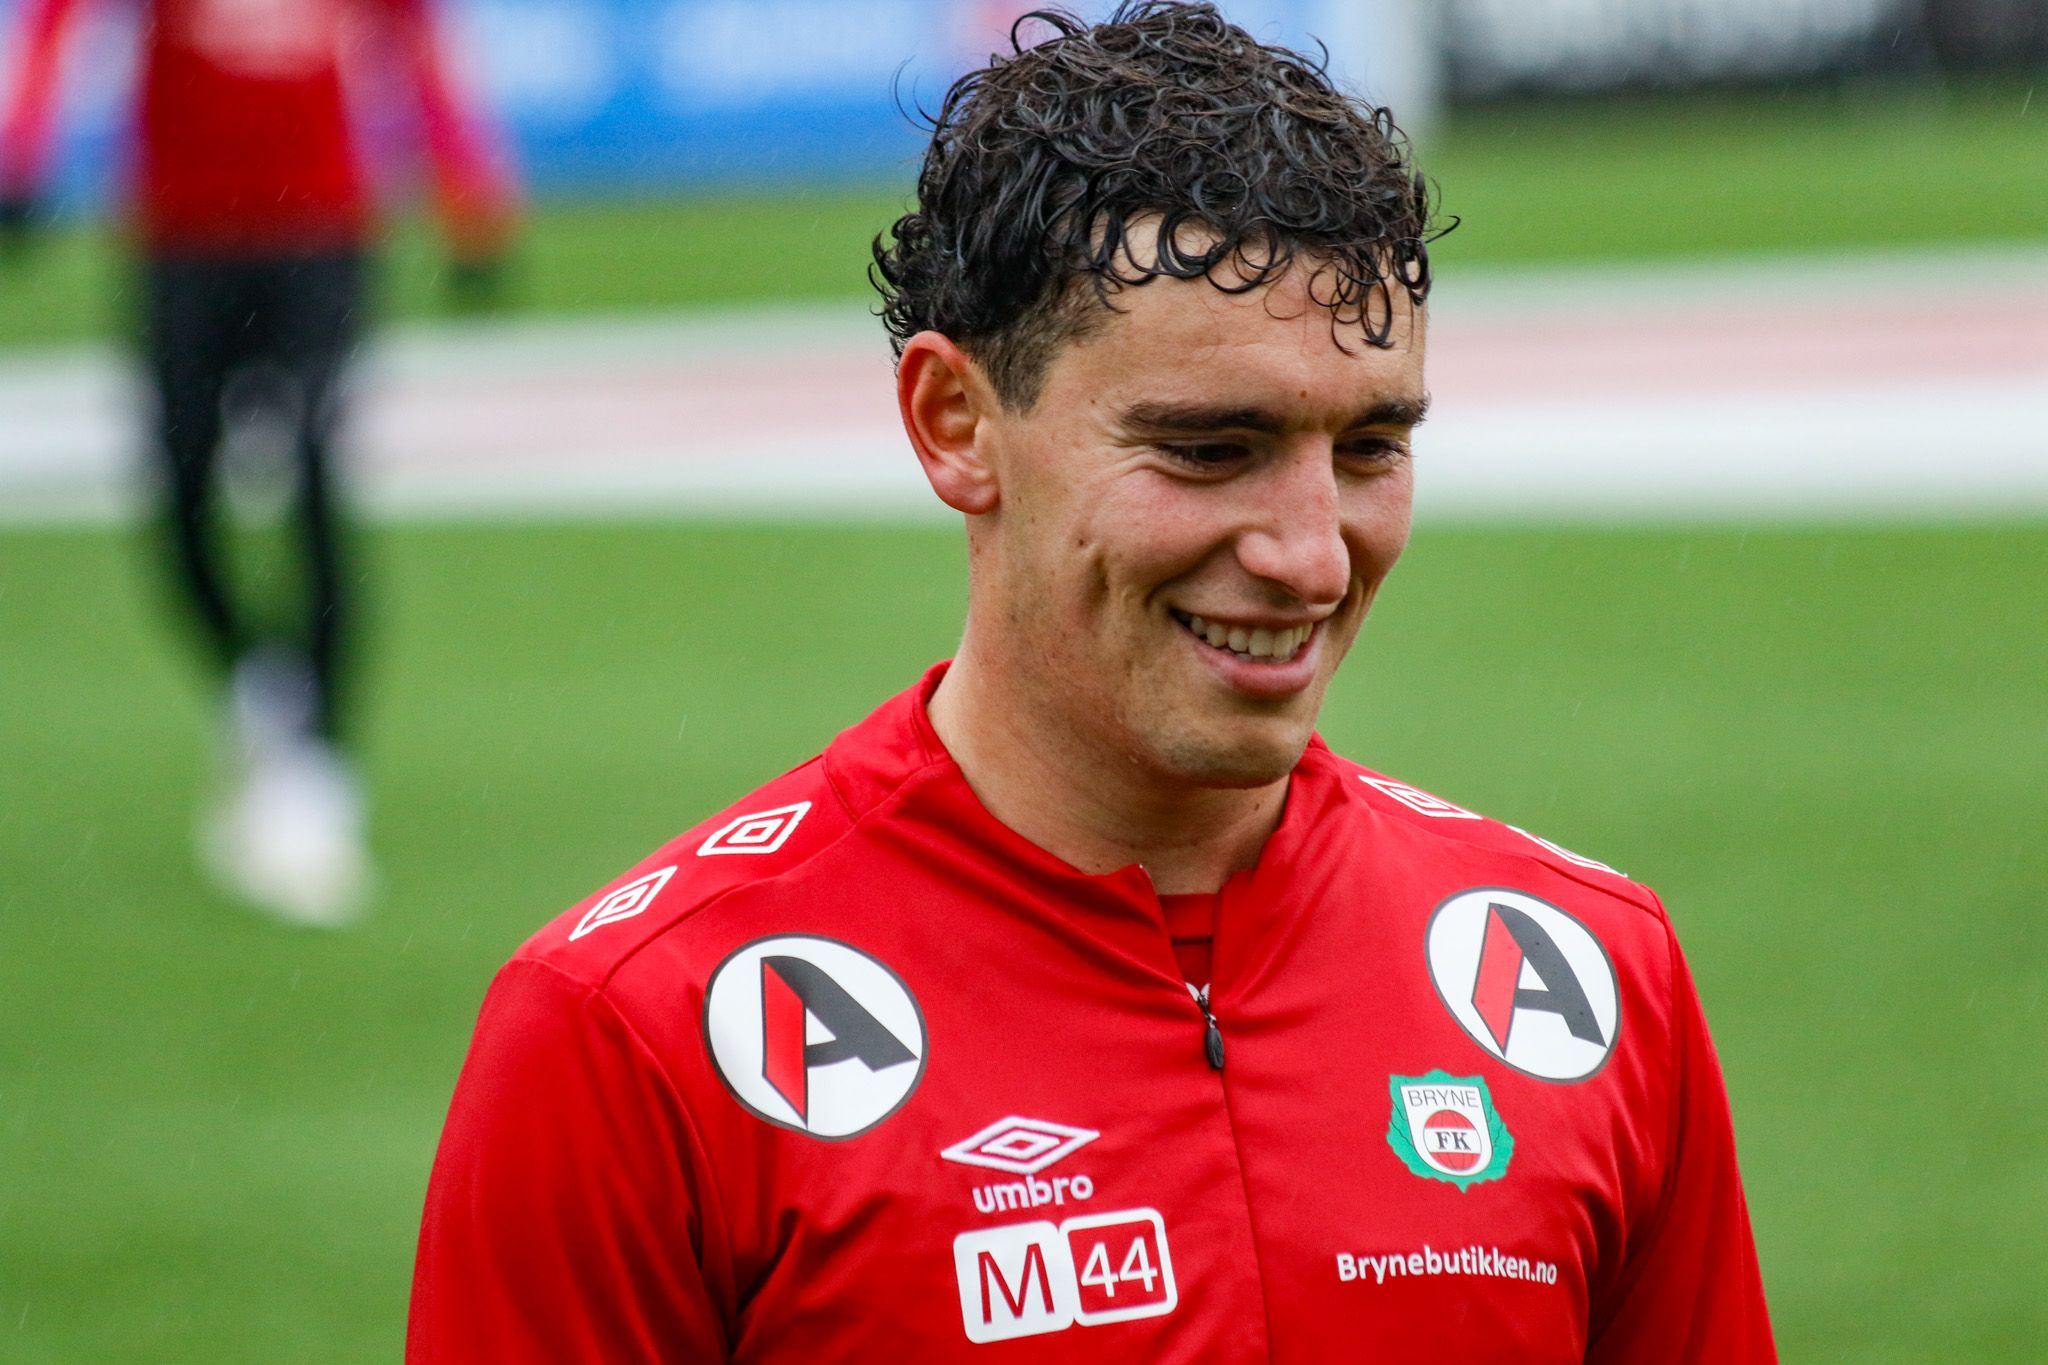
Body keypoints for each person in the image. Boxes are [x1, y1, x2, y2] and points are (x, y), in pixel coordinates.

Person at [408, 3, 1775, 1359]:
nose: (1311, 556)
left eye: (1369, 449)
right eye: (1209, 449)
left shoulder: (1589, 973)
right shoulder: (635, 1036)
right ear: (956, 423)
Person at [0, 0, 518, 925]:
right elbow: (58, 22)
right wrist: (22, 158)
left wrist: (471, 196)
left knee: (316, 467)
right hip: (185, 239)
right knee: (180, 497)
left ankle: (320, 764)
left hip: (318, 231)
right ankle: (258, 683)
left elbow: (420, 46)